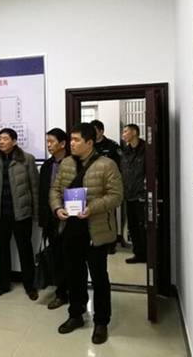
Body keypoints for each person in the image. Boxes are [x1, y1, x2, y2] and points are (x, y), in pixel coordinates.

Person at [50, 123, 123, 345]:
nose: (71, 144)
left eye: (76, 140)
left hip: (95, 231)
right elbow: (55, 190)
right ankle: (76, 314)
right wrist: (57, 208)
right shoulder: (66, 163)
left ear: (89, 143)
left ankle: (101, 321)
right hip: (70, 229)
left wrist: (92, 208)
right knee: (74, 275)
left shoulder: (107, 165)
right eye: (71, 139)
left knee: (99, 277)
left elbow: (116, 196)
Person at [0, 128, 39, 300]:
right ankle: (3, 285)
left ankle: (30, 286)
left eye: (5, 138)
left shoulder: (27, 159)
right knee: (3, 251)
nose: (1, 141)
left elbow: (35, 188)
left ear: (14, 141)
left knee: (25, 250)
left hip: (22, 214)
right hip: (1, 215)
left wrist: (36, 214)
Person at [38, 127, 81, 310]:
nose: (48, 145)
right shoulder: (47, 166)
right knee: (56, 256)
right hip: (51, 218)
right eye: (47, 141)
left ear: (62, 144)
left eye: (52, 142)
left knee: (71, 257)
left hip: (70, 218)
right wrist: (43, 218)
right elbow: (42, 194)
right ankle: (61, 293)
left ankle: (75, 293)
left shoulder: (74, 163)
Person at [90, 120, 122, 253]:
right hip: (93, 186)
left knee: (109, 216)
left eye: (95, 131)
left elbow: (120, 166)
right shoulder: (89, 145)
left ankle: (111, 244)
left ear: (101, 131)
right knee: (95, 216)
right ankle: (96, 242)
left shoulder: (112, 146)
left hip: (108, 186)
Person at [120, 123, 147, 264]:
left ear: (134, 132)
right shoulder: (125, 151)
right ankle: (139, 254)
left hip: (142, 195)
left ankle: (149, 255)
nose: (123, 134)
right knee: (133, 226)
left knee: (144, 226)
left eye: (126, 131)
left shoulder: (146, 149)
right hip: (129, 195)